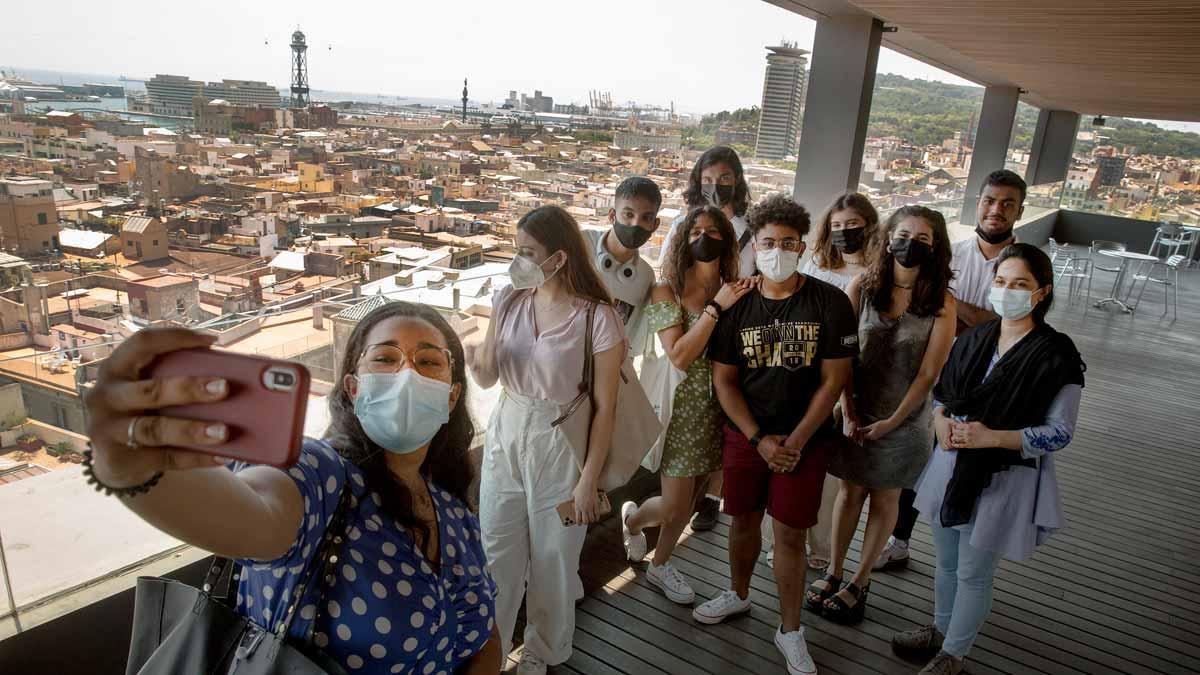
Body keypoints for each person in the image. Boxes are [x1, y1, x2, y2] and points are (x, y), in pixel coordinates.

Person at [83, 304, 502, 675]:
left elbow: (483, 636)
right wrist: (134, 465)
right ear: (354, 390)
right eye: (385, 358)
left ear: (451, 397)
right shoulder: (323, 476)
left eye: (428, 362)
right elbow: (254, 514)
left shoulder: (454, 509)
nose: (406, 374)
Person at [891, 243, 1084, 675]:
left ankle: (954, 655)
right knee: (945, 562)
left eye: (1020, 284)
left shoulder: (1057, 356)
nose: (1007, 291)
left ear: (1042, 292)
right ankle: (940, 631)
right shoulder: (976, 337)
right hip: (950, 463)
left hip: (1001, 473)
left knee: (974, 571)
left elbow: (1060, 433)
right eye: (1000, 282)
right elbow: (946, 391)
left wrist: (992, 437)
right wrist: (940, 419)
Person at [695, 193, 857, 675]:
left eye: (789, 242)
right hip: (748, 437)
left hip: (802, 442)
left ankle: (790, 631)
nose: (778, 251)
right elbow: (723, 380)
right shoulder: (737, 303)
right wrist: (758, 439)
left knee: (789, 535)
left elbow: (834, 380)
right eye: (769, 242)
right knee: (742, 520)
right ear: (754, 247)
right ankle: (739, 594)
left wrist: (797, 441)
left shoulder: (829, 302)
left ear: (803, 246)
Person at [466, 205, 626, 675]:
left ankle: (543, 652)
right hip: (507, 430)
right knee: (497, 552)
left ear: (558, 257)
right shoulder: (508, 300)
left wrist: (587, 481)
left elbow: (606, 408)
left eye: (527, 252)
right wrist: (478, 360)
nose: (518, 261)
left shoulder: (598, 317)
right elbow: (490, 377)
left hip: (562, 440)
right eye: (516, 250)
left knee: (555, 559)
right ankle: (489, 653)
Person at [806, 206, 956, 625]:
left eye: (923, 239)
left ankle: (860, 579)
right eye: (903, 234)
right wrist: (848, 411)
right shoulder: (862, 287)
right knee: (850, 492)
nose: (911, 244)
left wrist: (892, 422)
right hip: (855, 411)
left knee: (885, 497)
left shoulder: (942, 303)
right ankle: (834, 570)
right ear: (887, 238)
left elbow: (929, 373)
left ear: (935, 247)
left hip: (905, 421)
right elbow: (842, 355)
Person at [876, 170, 1028, 572]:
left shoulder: (1025, 263)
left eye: (1007, 203)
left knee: (972, 463)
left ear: (1020, 210)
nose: (996, 210)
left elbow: (1010, 328)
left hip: (993, 382)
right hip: (939, 371)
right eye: (989, 200)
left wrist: (953, 308)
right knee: (919, 457)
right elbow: (927, 311)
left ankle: (967, 556)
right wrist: (970, 317)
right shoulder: (949, 255)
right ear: (977, 203)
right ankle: (899, 540)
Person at [619, 205, 754, 604]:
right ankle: (634, 521)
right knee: (677, 504)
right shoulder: (668, 290)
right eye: (697, 230)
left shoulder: (736, 286)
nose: (705, 237)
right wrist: (716, 309)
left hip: (723, 408)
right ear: (683, 237)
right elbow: (678, 354)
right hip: (682, 409)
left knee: (693, 497)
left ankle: (659, 561)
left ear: (727, 241)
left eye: (715, 231)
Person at [775, 192, 882, 571]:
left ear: (869, 226)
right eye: (836, 226)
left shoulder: (877, 274)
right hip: (805, 371)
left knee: (829, 468)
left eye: (852, 225)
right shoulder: (817, 267)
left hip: (850, 374)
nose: (844, 232)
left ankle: (820, 544)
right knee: (797, 457)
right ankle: (789, 535)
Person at [657, 146, 756, 531]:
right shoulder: (685, 225)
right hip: (698, 331)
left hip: (733, 335)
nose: (716, 186)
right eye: (709, 179)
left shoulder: (750, 227)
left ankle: (712, 497)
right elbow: (669, 271)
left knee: (724, 426)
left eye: (725, 178)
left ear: (738, 181)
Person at [581, 176, 663, 357]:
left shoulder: (645, 277)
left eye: (646, 218)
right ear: (612, 215)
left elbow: (629, 346)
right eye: (628, 214)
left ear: (655, 225)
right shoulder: (579, 244)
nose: (636, 224)